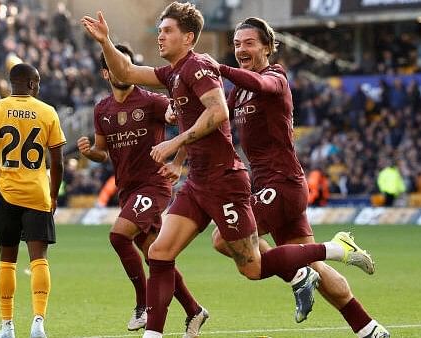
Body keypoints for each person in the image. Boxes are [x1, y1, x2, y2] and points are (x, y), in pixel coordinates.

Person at [81, 4, 374, 338]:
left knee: (252, 267)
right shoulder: (174, 73)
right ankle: (155, 334)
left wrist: (175, 144)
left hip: (227, 181)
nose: (160, 36)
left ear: (188, 37)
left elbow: (218, 113)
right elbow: (129, 72)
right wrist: (106, 42)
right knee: (160, 253)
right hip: (199, 181)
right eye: (159, 30)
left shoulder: (201, 67)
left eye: (167, 31)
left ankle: (335, 249)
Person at [210, 17, 390, 338]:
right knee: (313, 269)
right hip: (273, 187)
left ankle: (331, 250)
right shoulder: (238, 93)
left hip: (282, 183)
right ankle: (369, 329)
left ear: (267, 46)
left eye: (249, 43)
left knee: (225, 238)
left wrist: (219, 69)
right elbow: (212, 110)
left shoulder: (275, 76)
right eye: (237, 44)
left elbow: (262, 85)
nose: (241, 49)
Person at [76, 44, 205, 332]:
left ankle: (142, 304)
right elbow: (101, 151)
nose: (126, 70)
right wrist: (89, 153)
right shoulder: (102, 109)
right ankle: (194, 310)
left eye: (129, 63)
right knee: (157, 256)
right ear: (106, 72)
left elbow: (189, 122)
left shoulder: (152, 101)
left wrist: (178, 162)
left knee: (118, 236)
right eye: (118, 65)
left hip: (153, 185)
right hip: (127, 190)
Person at [0, 63, 66, 338]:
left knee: (7, 261)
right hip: (37, 194)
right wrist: (53, 194)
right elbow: (57, 161)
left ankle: (7, 327)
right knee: (39, 260)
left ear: (12, 83)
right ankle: (38, 323)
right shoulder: (48, 112)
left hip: (7, 193)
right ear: (33, 84)